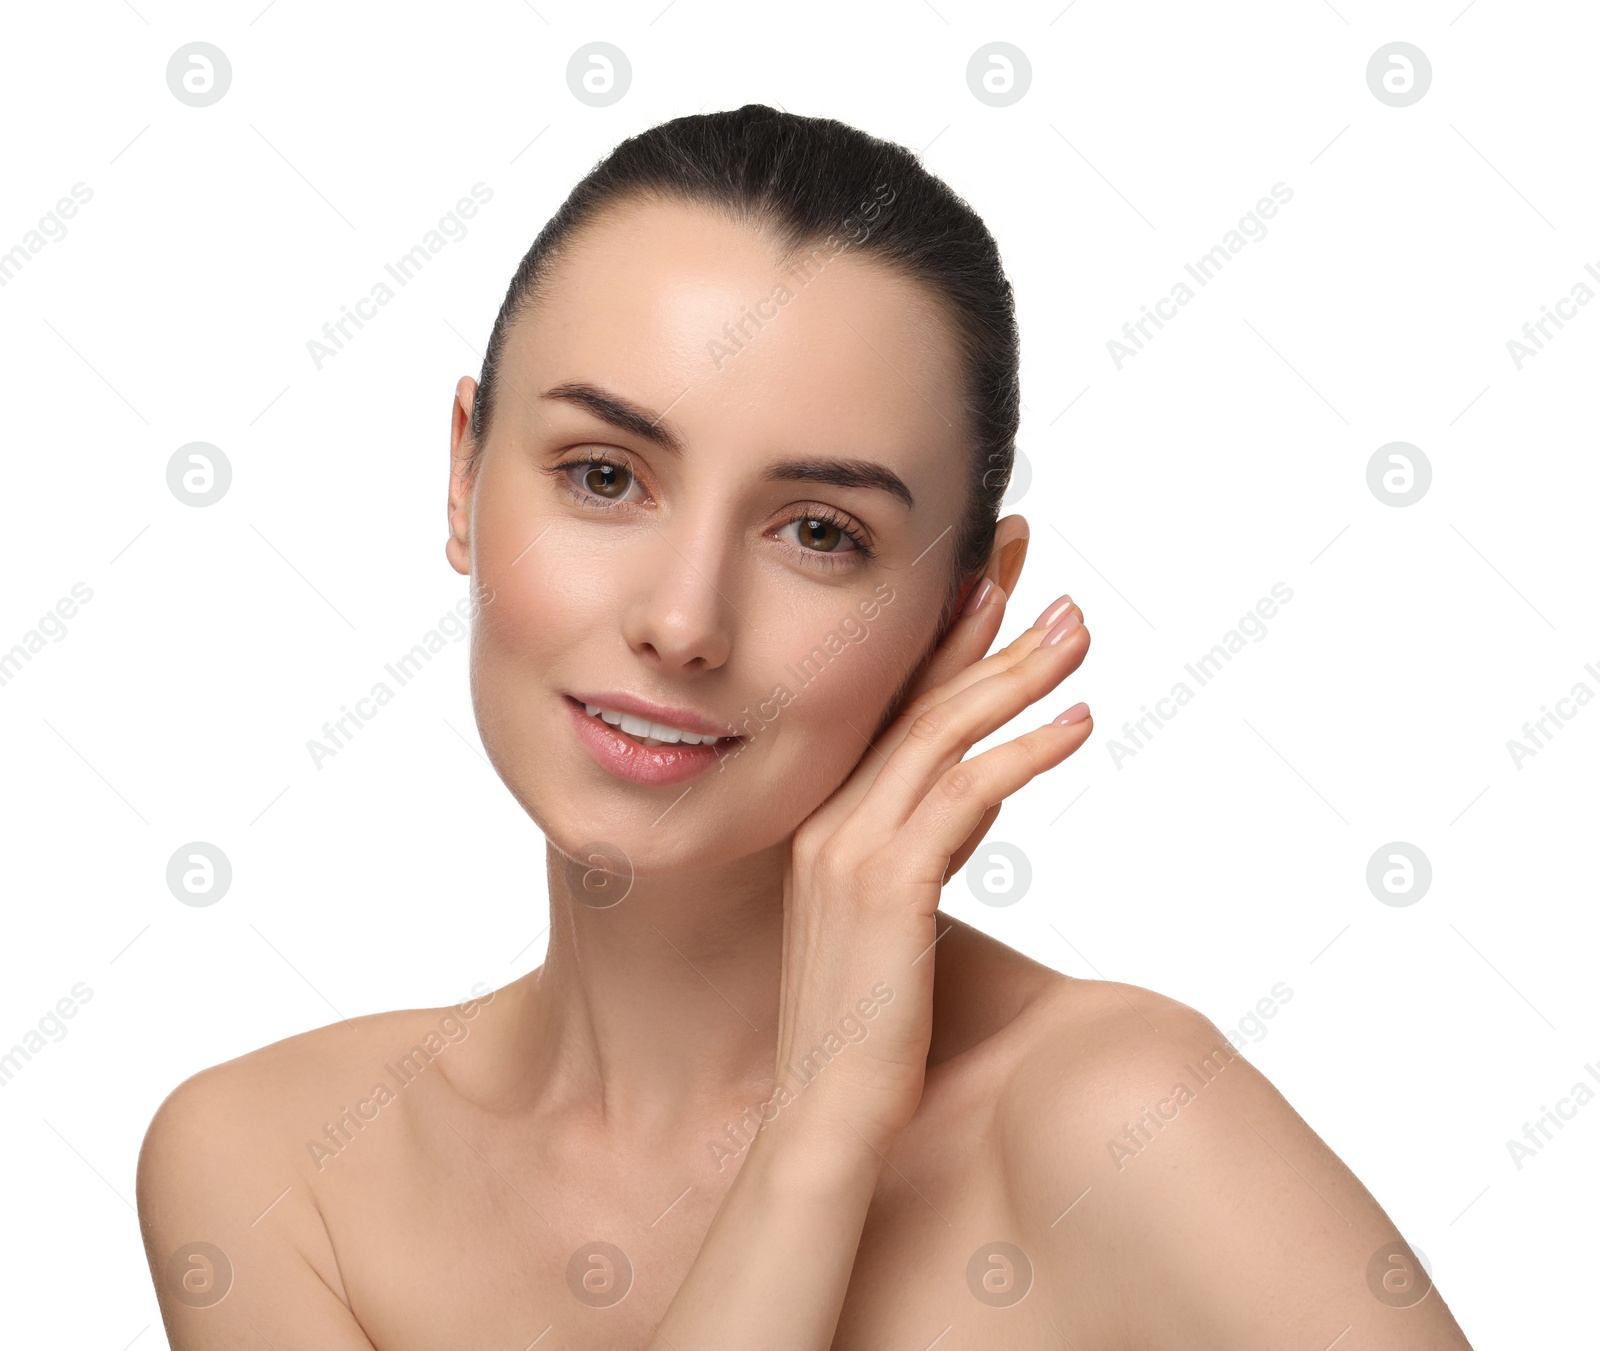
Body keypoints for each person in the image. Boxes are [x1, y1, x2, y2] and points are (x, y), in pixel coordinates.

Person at [137, 104, 1474, 1349]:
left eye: (820, 535)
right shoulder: (270, 1166)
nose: (683, 620)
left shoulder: (1123, 1124)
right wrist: (817, 1128)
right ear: (463, 478)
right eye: (606, 476)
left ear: (967, 608)